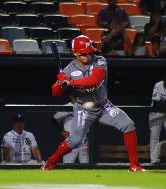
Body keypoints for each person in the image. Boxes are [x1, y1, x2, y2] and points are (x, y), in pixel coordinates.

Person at [41, 35, 145, 171]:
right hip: (83, 108)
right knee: (75, 141)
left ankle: (134, 165)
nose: (89, 55)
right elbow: (55, 93)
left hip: (103, 106)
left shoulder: (100, 61)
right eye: (85, 53)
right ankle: (51, 161)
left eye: (90, 52)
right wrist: (60, 83)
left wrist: (70, 82)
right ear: (76, 54)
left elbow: (94, 80)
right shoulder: (69, 70)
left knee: (128, 124)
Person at [149, 74, 166, 164]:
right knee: (154, 137)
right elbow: (157, 103)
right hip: (156, 113)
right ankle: (154, 160)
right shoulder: (158, 85)